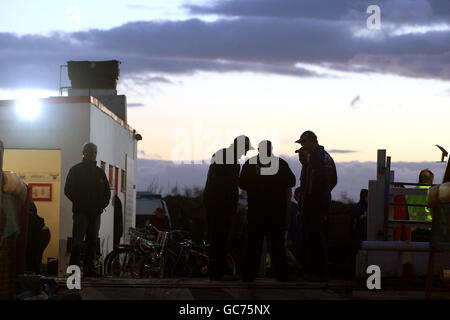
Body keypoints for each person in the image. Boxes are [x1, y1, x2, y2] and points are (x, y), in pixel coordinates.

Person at [239, 140, 296, 282]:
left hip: (259, 212)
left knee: (255, 245)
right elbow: (291, 181)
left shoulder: (251, 164)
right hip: (274, 212)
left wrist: (258, 184)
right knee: (275, 246)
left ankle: (249, 275)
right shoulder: (280, 164)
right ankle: (281, 275)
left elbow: (242, 183)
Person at [203, 135, 253, 281]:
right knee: (220, 237)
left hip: (213, 203)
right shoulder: (231, 161)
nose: (245, 153)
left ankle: (219, 268)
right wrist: (231, 208)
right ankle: (217, 271)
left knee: (217, 237)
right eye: (244, 149)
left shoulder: (221, 155)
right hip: (220, 206)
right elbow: (229, 187)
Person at [295, 130, 337, 282]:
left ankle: (318, 272)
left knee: (315, 240)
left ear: (313, 142)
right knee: (312, 239)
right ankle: (313, 271)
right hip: (315, 205)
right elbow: (332, 181)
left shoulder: (317, 158)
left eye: (304, 144)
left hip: (315, 206)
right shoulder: (321, 158)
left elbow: (323, 182)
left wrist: (316, 198)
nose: (302, 148)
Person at [64, 142, 111, 277]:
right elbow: (68, 190)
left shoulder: (99, 173)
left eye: (95, 152)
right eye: (90, 151)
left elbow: (107, 193)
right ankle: (74, 272)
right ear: (84, 152)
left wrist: (100, 207)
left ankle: (89, 270)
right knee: (77, 242)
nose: (93, 154)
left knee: (92, 242)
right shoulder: (76, 170)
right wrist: (81, 203)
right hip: (81, 212)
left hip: (95, 214)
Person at [406, 169, 434, 242]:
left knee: (417, 251)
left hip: (414, 230)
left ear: (419, 180)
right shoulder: (432, 192)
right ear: (431, 181)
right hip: (429, 229)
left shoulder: (410, 193)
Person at [26, 201, 51, 274]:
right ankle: (34, 275)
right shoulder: (27, 203)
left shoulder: (27, 206)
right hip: (40, 232)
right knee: (33, 256)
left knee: (34, 257)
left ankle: (35, 276)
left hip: (42, 233)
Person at [287, 187, 302, 267]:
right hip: (293, 239)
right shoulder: (292, 207)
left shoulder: (299, 207)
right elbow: (289, 223)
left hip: (298, 239)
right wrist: (289, 237)